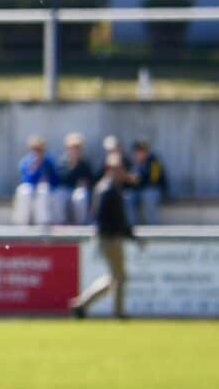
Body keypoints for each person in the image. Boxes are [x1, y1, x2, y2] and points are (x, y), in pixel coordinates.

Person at [71, 152, 137, 318]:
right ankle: (118, 312)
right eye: (118, 169)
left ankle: (82, 303)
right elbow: (103, 217)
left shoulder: (112, 187)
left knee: (115, 277)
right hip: (110, 238)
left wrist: (128, 234)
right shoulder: (107, 189)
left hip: (112, 237)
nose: (121, 172)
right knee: (119, 277)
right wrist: (122, 233)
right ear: (110, 170)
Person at [11, 135, 60, 225]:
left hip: (46, 190)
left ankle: (43, 223)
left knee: (43, 189)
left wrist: (48, 179)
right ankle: (22, 223)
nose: (37, 152)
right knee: (24, 191)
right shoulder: (25, 162)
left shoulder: (48, 162)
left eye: (40, 150)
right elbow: (25, 180)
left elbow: (56, 180)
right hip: (31, 188)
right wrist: (34, 170)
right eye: (35, 149)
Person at [56, 132, 96, 224]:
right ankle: (61, 222)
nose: (74, 150)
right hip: (66, 190)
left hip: (79, 192)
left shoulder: (85, 164)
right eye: (72, 148)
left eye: (77, 148)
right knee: (59, 194)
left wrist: (85, 183)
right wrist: (72, 166)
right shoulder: (62, 163)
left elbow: (91, 181)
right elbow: (60, 179)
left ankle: (80, 223)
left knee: (80, 195)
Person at [128, 139, 168, 224]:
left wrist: (139, 178)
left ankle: (152, 225)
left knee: (148, 195)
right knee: (128, 196)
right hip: (139, 191)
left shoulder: (154, 162)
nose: (139, 154)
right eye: (137, 151)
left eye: (142, 151)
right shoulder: (134, 163)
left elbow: (154, 180)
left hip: (154, 190)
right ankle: (132, 225)